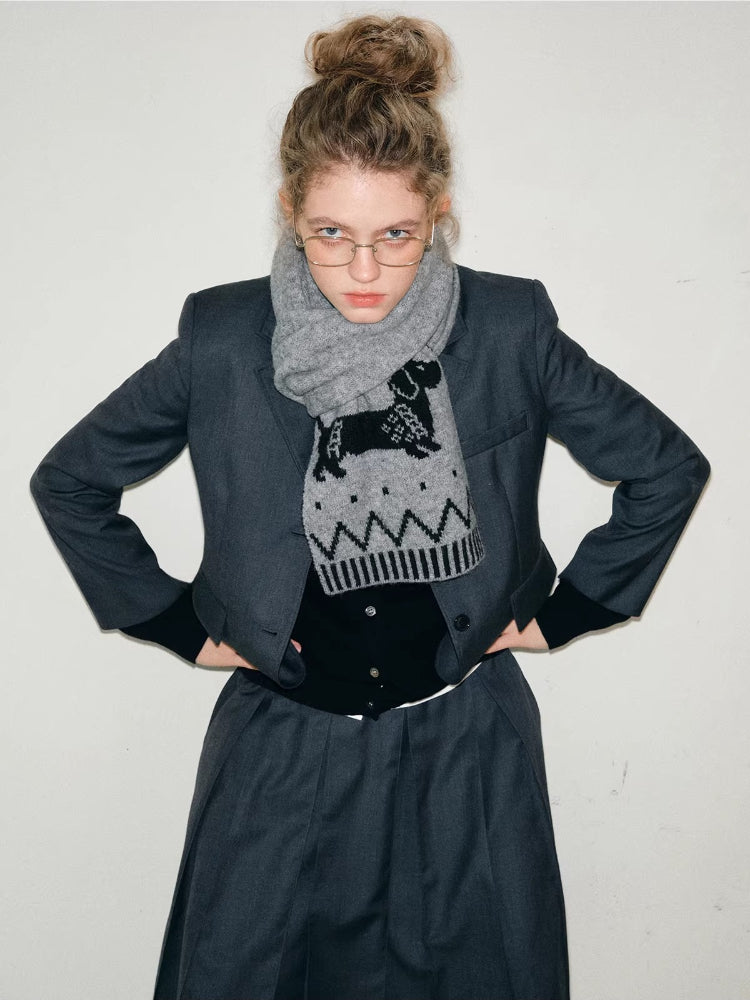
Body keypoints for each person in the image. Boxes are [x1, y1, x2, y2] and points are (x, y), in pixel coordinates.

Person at [29, 14, 709, 1000]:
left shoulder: (509, 327)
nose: (362, 271)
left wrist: (565, 613)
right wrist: (178, 625)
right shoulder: (223, 337)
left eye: (395, 235)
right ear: (290, 212)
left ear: (438, 212)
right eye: (331, 235)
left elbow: (664, 468)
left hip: (467, 744)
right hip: (278, 748)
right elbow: (72, 481)